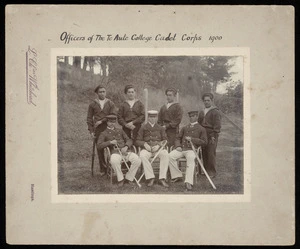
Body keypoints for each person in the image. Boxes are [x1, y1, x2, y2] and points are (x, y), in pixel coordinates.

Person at [97, 114, 142, 186]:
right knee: (114, 161)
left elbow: (129, 140)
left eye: (114, 122)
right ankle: (120, 179)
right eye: (110, 122)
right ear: (107, 122)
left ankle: (129, 178)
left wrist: (126, 146)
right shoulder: (103, 133)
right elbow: (99, 146)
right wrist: (110, 142)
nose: (112, 124)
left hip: (126, 151)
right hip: (115, 153)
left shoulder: (120, 130)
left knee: (137, 160)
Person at [168, 111, 208, 190]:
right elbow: (177, 138)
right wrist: (178, 146)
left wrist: (192, 139)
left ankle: (188, 182)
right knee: (169, 156)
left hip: (191, 150)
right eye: (190, 116)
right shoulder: (185, 128)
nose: (191, 118)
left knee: (190, 159)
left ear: (196, 117)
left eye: (193, 116)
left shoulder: (201, 129)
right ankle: (177, 175)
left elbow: (204, 142)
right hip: (182, 149)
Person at [87, 85, 117, 176]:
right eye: (100, 92)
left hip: (109, 127)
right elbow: (89, 118)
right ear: (97, 93)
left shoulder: (110, 103)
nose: (102, 93)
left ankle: (112, 167)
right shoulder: (93, 104)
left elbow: (113, 115)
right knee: (100, 149)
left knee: (112, 147)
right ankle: (103, 169)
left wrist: (102, 121)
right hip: (98, 129)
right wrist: (91, 131)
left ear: (106, 92)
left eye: (104, 91)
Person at [135, 110, 169, 188]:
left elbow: (166, 140)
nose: (152, 119)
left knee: (165, 154)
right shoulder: (143, 127)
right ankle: (151, 177)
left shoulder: (161, 128)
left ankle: (162, 178)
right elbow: (137, 140)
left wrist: (159, 145)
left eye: (154, 117)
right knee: (142, 155)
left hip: (158, 149)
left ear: (156, 118)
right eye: (151, 117)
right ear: (148, 118)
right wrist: (144, 144)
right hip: (148, 149)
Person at [198, 93, 221, 178]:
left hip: (211, 134)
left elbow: (217, 125)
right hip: (203, 134)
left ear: (212, 101)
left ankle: (212, 172)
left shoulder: (215, 111)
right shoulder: (202, 112)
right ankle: (205, 171)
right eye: (205, 101)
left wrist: (213, 135)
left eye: (208, 100)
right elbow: (199, 123)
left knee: (211, 152)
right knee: (204, 152)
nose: (206, 102)